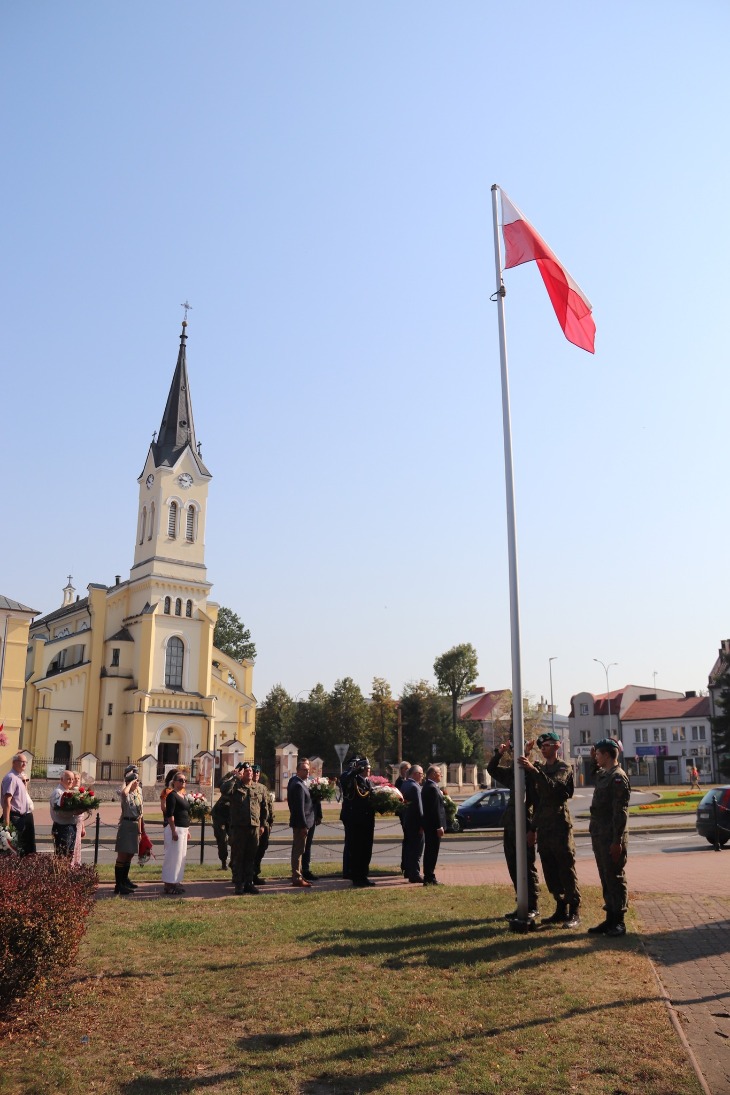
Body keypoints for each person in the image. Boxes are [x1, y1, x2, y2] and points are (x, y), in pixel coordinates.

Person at [518, 731, 581, 928]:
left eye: (546, 746)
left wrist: (535, 771)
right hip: (544, 828)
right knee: (550, 870)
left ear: (556, 746)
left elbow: (555, 789)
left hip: (560, 827)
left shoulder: (563, 767)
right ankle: (560, 908)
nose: (543, 749)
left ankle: (574, 910)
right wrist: (532, 829)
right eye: (541, 747)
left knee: (566, 869)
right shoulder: (542, 769)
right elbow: (540, 802)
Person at [487, 742, 539, 921]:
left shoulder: (532, 773)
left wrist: (533, 829)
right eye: (513, 751)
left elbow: (538, 802)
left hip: (525, 823)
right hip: (510, 823)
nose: (515, 755)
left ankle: (532, 905)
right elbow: (492, 770)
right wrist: (498, 753)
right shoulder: (512, 773)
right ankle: (521, 903)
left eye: (520, 751)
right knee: (513, 865)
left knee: (527, 866)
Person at [588, 738, 631, 937]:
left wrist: (617, 841)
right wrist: (592, 760)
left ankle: (619, 921)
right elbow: (594, 775)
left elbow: (620, 812)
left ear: (606, 755)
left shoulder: (617, 777)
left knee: (615, 876)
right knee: (606, 876)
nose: (596, 757)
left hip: (612, 836)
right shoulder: (605, 774)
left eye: (598, 754)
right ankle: (610, 919)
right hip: (600, 834)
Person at [228, 762, 267, 895]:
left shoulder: (258, 788)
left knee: (251, 856)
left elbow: (264, 808)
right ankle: (239, 884)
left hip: (254, 827)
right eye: (247, 771)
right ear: (242, 774)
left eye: (251, 771)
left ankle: (249, 883)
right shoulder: (235, 786)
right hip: (239, 828)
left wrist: (262, 824)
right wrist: (234, 777)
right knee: (239, 857)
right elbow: (224, 789)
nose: (250, 772)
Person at [340, 756, 376, 887]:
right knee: (357, 850)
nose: (368, 770)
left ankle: (364, 875)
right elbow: (344, 779)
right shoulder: (353, 780)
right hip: (356, 821)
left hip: (367, 821)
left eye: (369, 768)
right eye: (366, 768)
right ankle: (357, 877)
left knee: (367, 849)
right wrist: (354, 770)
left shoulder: (368, 782)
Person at [114, 764, 143, 895]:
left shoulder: (137, 794)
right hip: (126, 825)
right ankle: (118, 885)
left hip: (134, 825)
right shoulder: (126, 795)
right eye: (136, 782)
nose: (137, 784)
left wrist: (140, 831)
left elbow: (141, 813)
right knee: (122, 855)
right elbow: (124, 792)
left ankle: (125, 880)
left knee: (130, 854)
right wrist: (129, 782)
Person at [288, 757, 316, 888]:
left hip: (300, 823)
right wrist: (303, 826)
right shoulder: (298, 785)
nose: (307, 772)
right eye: (304, 770)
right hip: (301, 824)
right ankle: (297, 877)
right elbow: (299, 808)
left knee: (298, 850)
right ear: (298, 771)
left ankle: (298, 875)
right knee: (298, 851)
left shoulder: (295, 781)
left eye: (308, 770)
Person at [162, 772, 191, 895]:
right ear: (174, 782)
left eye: (185, 780)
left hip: (183, 829)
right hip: (175, 829)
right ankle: (169, 884)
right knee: (173, 857)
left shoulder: (183, 795)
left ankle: (176, 881)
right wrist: (173, 830)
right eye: (180, 780)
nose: (183, 782)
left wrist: (187, 829)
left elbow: (185, 813)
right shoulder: (172, 795)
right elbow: (170, 814)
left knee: (180, 858)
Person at [2, 753, 36, 855]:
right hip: (15, 818)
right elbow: (7, 801)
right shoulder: (11, 778)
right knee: (14, 848)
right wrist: (7, 825)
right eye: (22, 762)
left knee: (26, 847)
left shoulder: (19, 777)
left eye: (26, 762)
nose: (24, 764)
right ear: (14, 763)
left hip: (24, 816)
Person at [421, 765, 447, 885]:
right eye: (439, 772)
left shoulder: (430, 786)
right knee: (432, 851)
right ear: (432, 774)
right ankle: (429, 877)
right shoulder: (431, 788)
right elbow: (434, 809)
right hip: (433, 826)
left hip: (430, 825)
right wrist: (439, 826)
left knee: (430, 851)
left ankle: (429, 876)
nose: (441, 774)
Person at [400, 765, 425, 882]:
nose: (422, 776)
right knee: (416, 849)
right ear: (415, 774)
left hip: (407, 821)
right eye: (421, 773)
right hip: (415, 823)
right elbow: (420, 808)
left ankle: (408, 871)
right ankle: (414, 874)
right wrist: (422, 824)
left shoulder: (405, 784)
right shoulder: (415, 787)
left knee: (409, 847)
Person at [50, 769, 79, 857]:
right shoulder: (58, 793)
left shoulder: (67, 791)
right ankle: (61, 871)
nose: (71, 781)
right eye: (68, 779)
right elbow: (60, 812)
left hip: (70, 827)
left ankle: (66, 871)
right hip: (62, 828)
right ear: (61, 779)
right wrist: (76, 811)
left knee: (69, 855)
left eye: (72, 779)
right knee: (63, 855)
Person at [252, 764, 274, 884]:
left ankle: (255, 873)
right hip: (255, 825)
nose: (256, 774)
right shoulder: (248, 787)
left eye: (258, 772)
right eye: (254, 771)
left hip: (264, 824)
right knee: (252, 851)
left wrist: (269, 822)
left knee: (261, 849)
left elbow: (268, 806)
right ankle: (248, 875)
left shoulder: (263, 788)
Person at [211, 779, 231, 870]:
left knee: (235, 840)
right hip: (220, 815)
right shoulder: (231, 781)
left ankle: (233, 863)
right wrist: (232, 775)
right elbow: (221, 785)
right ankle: (224, 863)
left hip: (232, 815)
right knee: (222, 840)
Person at [70, 772, 87, 866]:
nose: (76, 780)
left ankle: (77, 862)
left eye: (78, 779)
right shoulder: (69, 792)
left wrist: (83, 827)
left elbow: (83, 813)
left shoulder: (82, 792)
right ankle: (71, 863)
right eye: (75, 778)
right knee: (72, 842)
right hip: (71, 821)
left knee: (78, 843)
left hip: (79, 822)